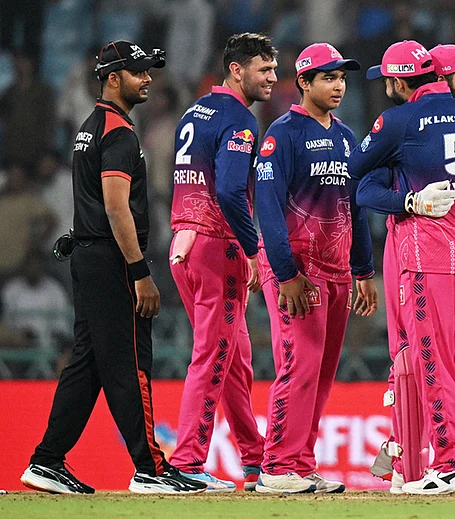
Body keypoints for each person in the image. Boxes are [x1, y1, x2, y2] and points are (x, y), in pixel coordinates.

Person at [20, 40, 206, 495]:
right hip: (113, 259)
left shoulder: (91, 127)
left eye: (148, 72)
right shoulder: (119, 132)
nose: (147, 79)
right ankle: (151, 469)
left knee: (88, 364)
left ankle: (46, 461)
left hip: (89, 255)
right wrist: (140, 271)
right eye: (139, 72)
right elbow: (116, 208)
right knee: (130, 364)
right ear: (112, 77)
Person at [349, 40, 455, 495]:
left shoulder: (397, 121)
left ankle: (454, 462)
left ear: (399, 80)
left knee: (431, 360)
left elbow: (353, 174)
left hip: (429, 256)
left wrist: (402, 198)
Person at [252, 43, 378, 494]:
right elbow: (265, 205)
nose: (338, 85)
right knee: (298, 366)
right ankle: (277, 466)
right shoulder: (282, 134)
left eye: (341, 77)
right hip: (298, 272)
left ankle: (301, 464)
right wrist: (285, 274)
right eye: (327, 77)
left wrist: (363, 270)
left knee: (321, 374)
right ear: (303, 82)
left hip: (338, 270)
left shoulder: (347, 137)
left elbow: (357, 205)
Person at [168, 33, 278, 492]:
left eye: (274, 69)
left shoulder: (194, 113)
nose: (273, 77)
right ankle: (188, 462)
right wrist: (252, 248)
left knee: (235, 358)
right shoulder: (240, 121)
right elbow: (231, 192)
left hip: (183, 244)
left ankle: (255, 459)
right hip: (218, 247)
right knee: (213, 356)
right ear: (237, 70)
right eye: (264, 69)